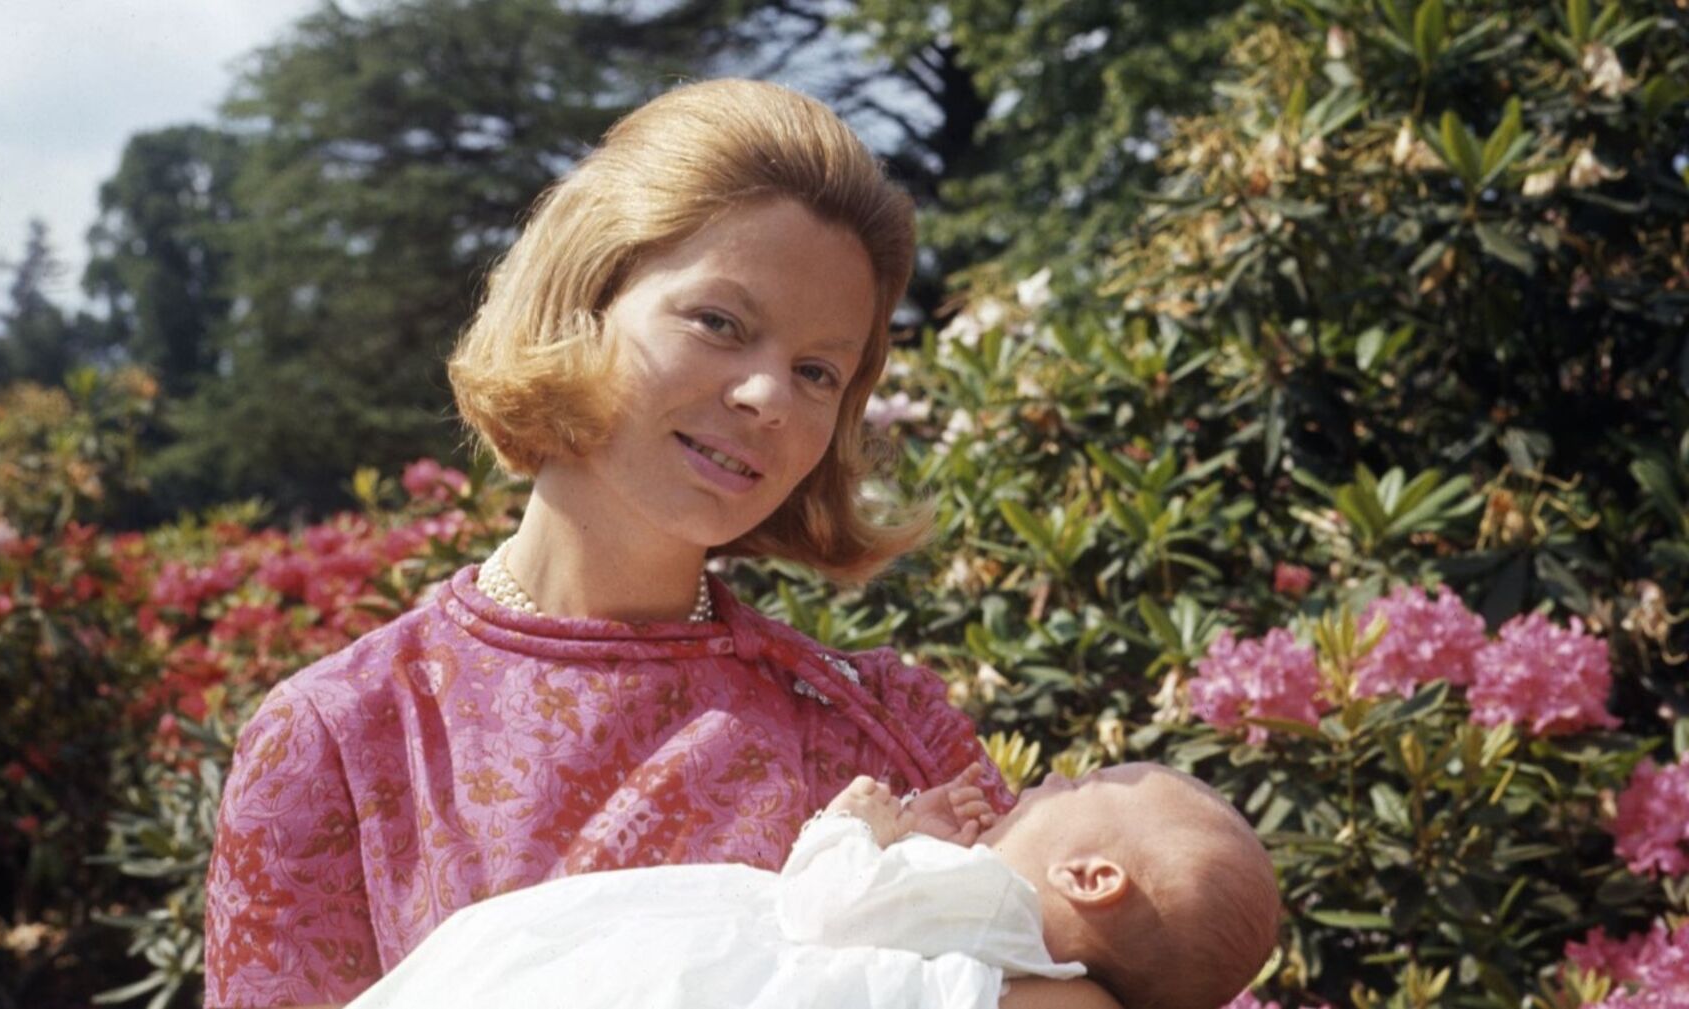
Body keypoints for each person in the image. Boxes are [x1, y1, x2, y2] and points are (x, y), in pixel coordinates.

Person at [204, 78, 1113, 1008]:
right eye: (720, 323)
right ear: (585, 298)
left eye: (816, 371)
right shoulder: (341, 738)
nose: (769, 396)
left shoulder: (888, 729)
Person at [341, 762, 1281, 1009]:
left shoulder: (998, 899)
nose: (1047, 779)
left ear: (1091, 876)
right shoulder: (1027, 955)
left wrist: (853, 826)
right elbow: (898, 921)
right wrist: (915, 845)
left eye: (1079, 788)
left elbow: (828, 908)